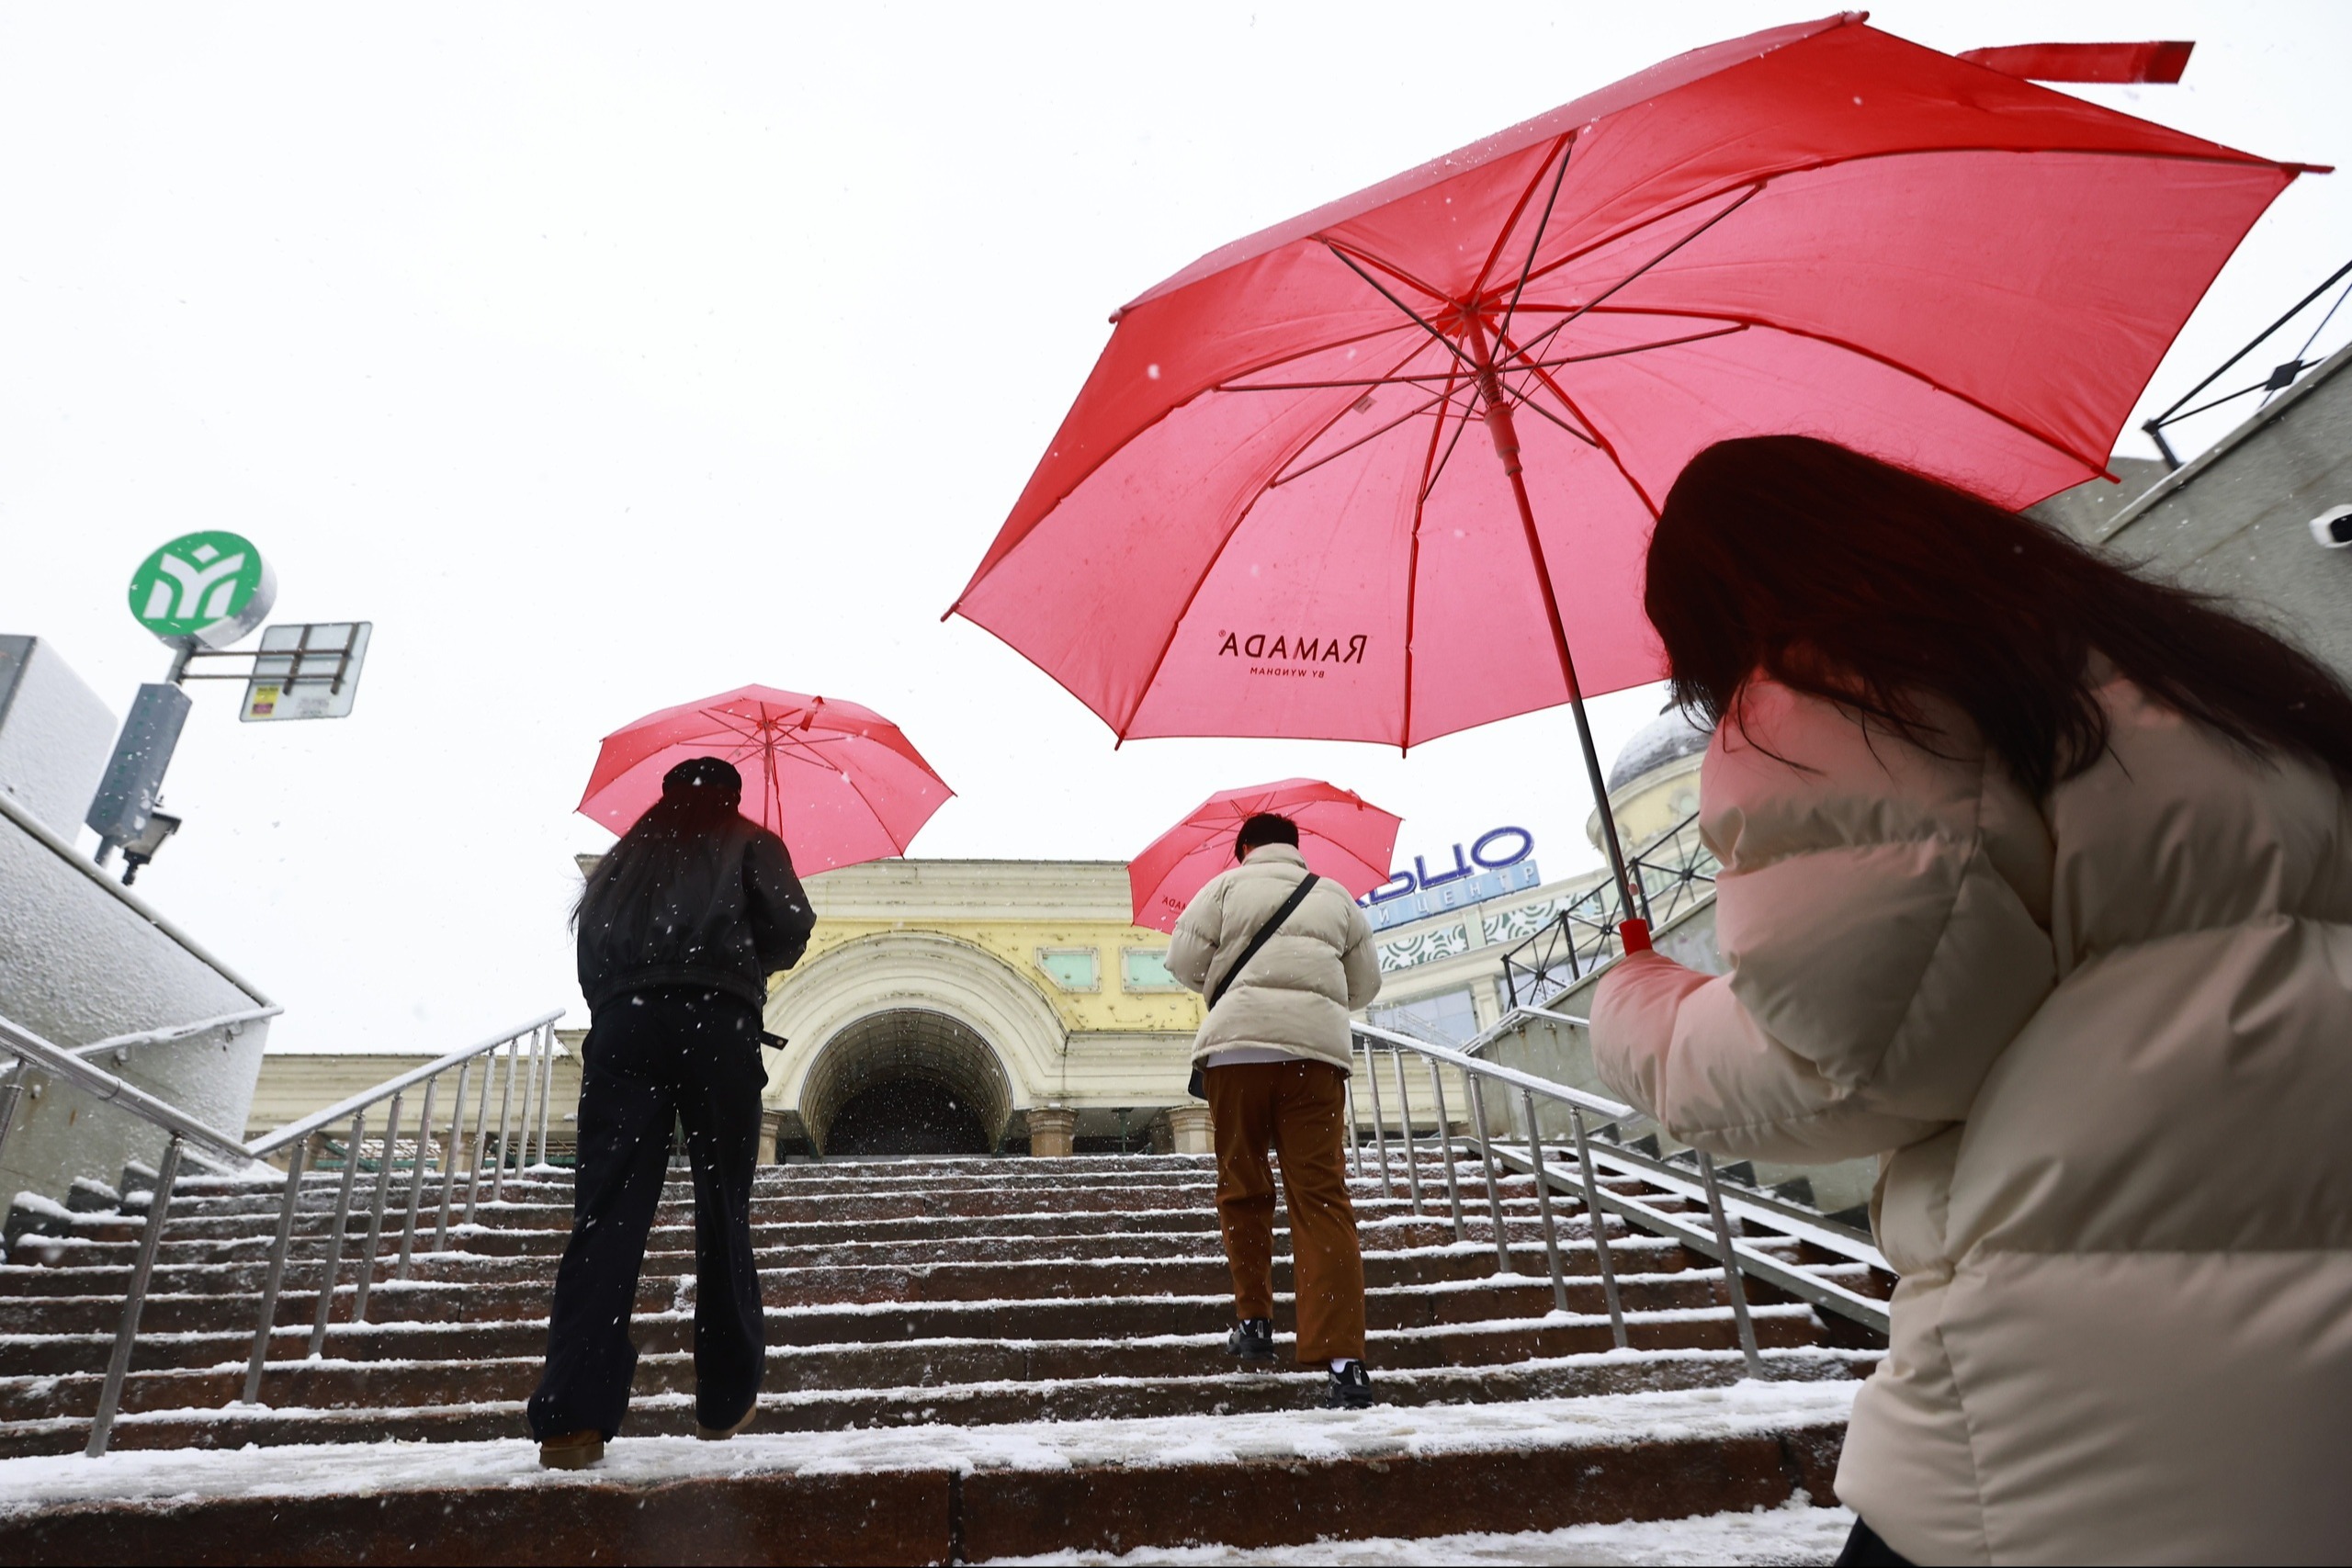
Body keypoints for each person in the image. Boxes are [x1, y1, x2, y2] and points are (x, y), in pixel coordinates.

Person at [1589, 435, 2352, 1565]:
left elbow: (1858, 1064)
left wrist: (1638, 1011)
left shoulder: (1848, 696)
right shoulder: (2199, 666)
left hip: (2101, 1374)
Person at [528, 756, 815, 1469]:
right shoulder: (750, 841)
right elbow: (791, 924)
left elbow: (588, 944)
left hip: (625, 1028)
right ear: (732, 796)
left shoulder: (626, 859)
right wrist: (740, 956)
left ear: (664, 797)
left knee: (607, 1213)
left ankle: (571, 1414)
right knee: (723, 1206)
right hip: (717, 1022)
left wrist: (630, 1001)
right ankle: (723, 1397)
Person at [1169, 811, 1383, 1409]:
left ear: (1244, 848)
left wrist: (1236, 978)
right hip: (1312, 1059)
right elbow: (1364, 987)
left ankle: (1255, 1321)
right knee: (1320, 1199)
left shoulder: (1223, 889)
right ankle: (1345, 1362)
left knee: (1243, 1186)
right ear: (1296, 848)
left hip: (1235, 1055)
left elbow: (1182, 964)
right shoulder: (1335, 897)